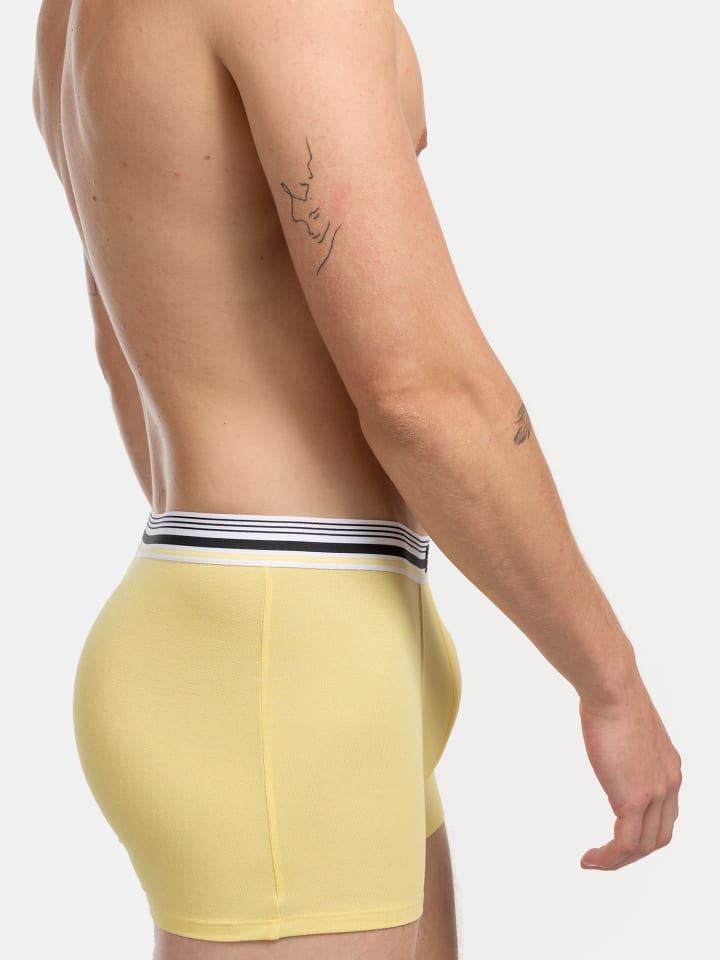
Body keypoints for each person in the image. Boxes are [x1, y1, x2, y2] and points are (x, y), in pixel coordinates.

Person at [32, 1, 682, 958]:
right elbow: (421, 392)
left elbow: (123, 344)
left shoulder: (73, 16)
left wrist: (226, 595)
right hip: (285, 657)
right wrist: (611, 680)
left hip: (270, 628)